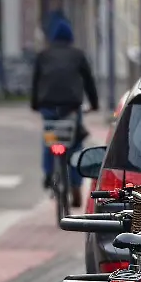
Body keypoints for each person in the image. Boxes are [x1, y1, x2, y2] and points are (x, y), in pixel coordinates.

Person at [31, 18, 98, 206]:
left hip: (48, 107)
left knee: (49, 140)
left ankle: (48, 173)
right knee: (76, 144)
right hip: (71, 107)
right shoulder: (77, 55)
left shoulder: (43, 55)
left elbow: (36, 82)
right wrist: (94, 104)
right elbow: (89, 81)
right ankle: (76, 184)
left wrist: (35, 105)